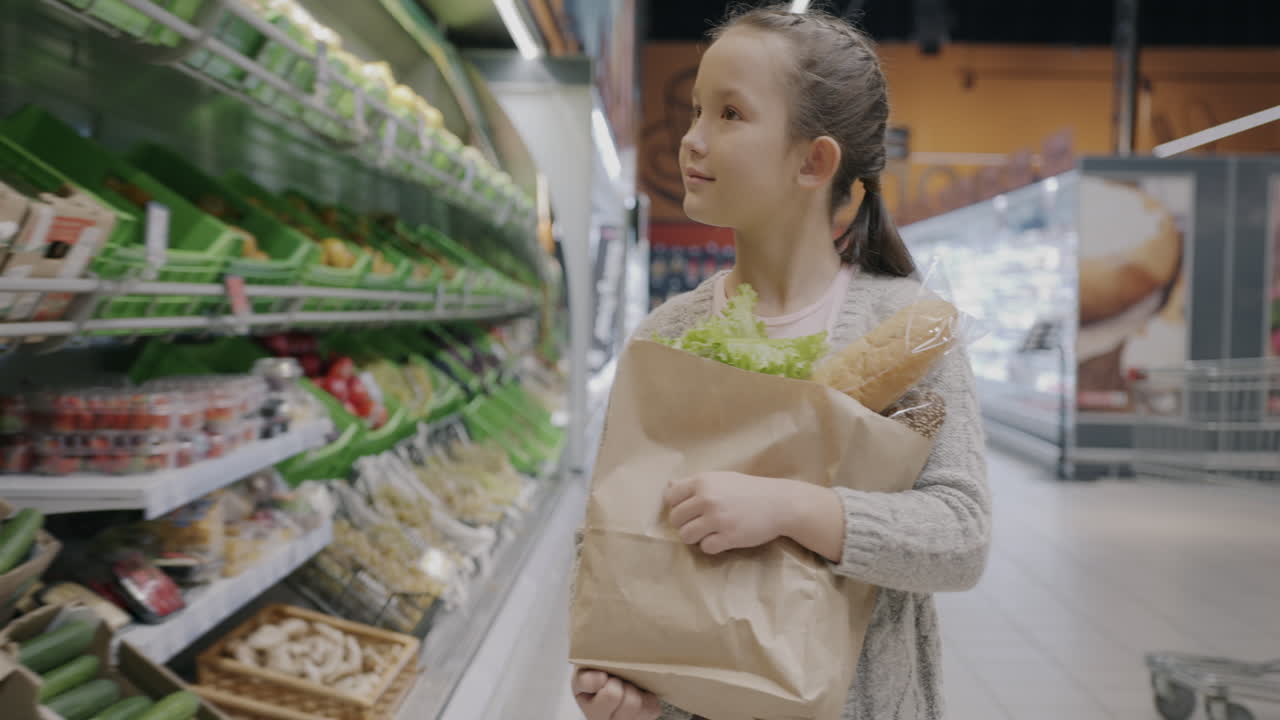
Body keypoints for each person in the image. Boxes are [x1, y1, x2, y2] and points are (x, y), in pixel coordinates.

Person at [572, 5, 992, 720]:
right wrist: (635, 695)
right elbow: (614, 543)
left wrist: (793, 508)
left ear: (814, 160)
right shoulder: (665, 339)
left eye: (730, 114)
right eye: (697, 109)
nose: (691, 139)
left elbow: (961, 536)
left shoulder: (908, 330)